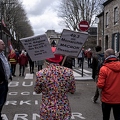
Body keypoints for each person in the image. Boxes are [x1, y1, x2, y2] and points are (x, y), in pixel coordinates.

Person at [34, 46, 76, 120]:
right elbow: (72, 90)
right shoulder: (68, 72)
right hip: (63, 110)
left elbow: (37, 90)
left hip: (47, 111)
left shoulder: (40, 73)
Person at [97, 48, 120, 120]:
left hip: (107, 98)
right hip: (119, 97)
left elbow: (100, 85)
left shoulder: (104, 68)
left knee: (106, 117)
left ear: (106, 55)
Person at [0, 39, 12, 120]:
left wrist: (9, 75)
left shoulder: (2, 54)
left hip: (5, 81)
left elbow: (5, 65)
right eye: (2, 44)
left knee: (3, 100)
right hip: (0, 82)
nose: (4, 45)